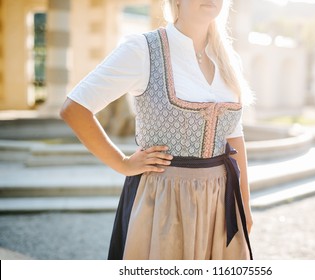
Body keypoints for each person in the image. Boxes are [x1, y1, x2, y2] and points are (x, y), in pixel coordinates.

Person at [60, 0, 253, 260]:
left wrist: (245, 207)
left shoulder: (226, 58)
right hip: (163, 199)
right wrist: (123, 163)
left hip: (220, 201)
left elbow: (234, 137)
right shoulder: (143, 49)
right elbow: (75, 109)